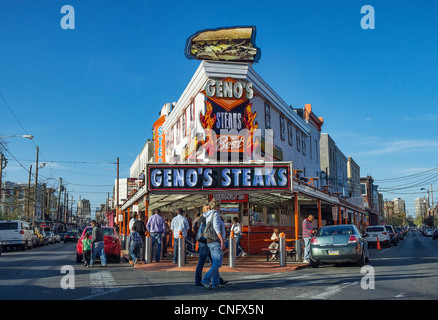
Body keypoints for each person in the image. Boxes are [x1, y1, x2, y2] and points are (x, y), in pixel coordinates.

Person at [200, 199, 226, 289]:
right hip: (215, 241)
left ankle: (215, 283)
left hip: (210, 241)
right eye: (219, 206)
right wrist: (221, 239)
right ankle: (206, 280)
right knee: (218, 263)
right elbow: (216, 227)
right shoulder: (215, 214)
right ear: (217, 206)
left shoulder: (208, 214)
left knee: (215, 263)